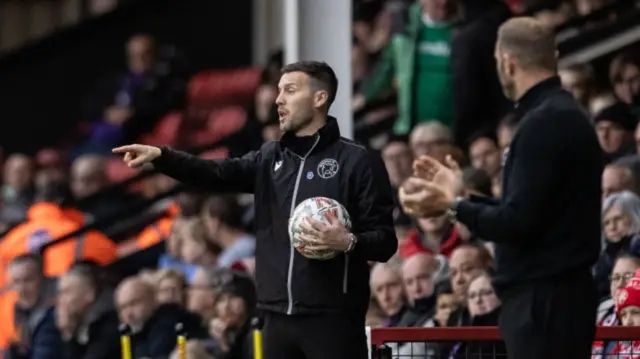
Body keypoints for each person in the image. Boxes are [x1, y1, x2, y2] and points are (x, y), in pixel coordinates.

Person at [113, 61, 397, 359]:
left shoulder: (358, 161)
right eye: (278, 91)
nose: (278, 100)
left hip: (333, 322)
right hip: (273, 321)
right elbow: (213, 172)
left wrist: (348, 242)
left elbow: (385, 242)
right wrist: (162, 157)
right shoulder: (269, 157)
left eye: (289, 90)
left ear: (319, 98)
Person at [399, 17, 602, 359]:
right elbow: (528, 210)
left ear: (508, 63)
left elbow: (516, 222)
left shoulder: (542, 124)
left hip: (543, 306)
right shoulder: (564, 116)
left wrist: (452, 206)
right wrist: (460, 197)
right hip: (557, 301)